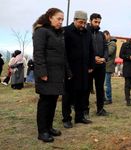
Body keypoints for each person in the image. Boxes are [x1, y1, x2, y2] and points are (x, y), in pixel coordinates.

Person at [33, 8, 72, 142]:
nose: (61, 22)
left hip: (57, 74)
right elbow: (38, 53)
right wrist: (42, 72)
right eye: (58, 19)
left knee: (53, 101)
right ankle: (42, 131)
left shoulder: (58, 34)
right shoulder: (41, 31)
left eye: (62, 19)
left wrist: (68, 71)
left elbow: (63, 55)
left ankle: (49, 127)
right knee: (45, 102)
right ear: (50, 17)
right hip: (47, 73)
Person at [62, 10, 94, 129]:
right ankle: (66, 118)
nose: (82, 25)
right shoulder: (66, 31)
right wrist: (67, 69)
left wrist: (91, 65)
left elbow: (91, 50)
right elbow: (63, 52)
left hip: (84, 69)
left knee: (82, 93)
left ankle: (79, 117)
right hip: (71, 69)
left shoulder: (87, 33)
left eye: (84, 23)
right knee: (68, 95)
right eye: (80, 22)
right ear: (74, 20)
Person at [86, 13, 109, 116]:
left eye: (99, 22)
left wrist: (104, 58)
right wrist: (93, 58)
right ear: (90, 21)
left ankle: (100, 109)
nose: (97, 24)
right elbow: (84, 48)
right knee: (86, 88)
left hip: (101, 65)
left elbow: (106, 48)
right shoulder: (86, 33)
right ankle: (84, 109)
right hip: (90, 65)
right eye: (95, 21)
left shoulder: (101, 35)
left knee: (100, 88)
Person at [103, 30, 117, 105]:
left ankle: (109, 98)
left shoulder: (112, 43)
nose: (103, 38)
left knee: (106, 84)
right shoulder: (106, 43)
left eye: (104, 36)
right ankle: (103, 98)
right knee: (102, 84)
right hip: (103, 66)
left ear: (108, 35)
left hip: (108, 67)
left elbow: (109, 52)